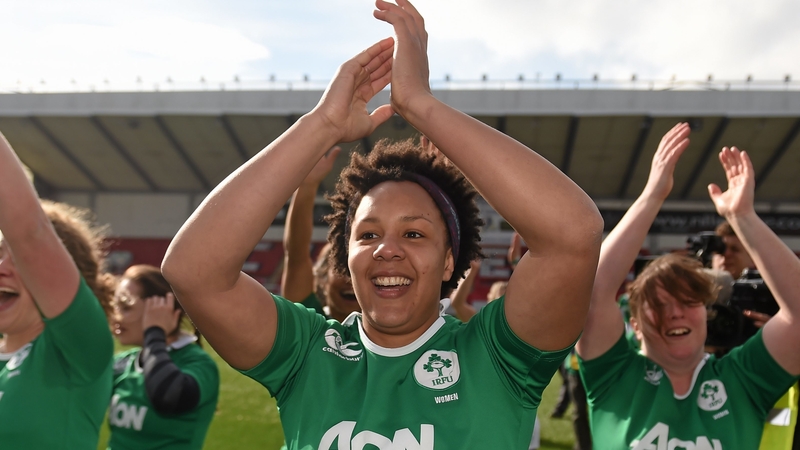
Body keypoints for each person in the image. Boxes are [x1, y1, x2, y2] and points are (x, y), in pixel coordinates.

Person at [161, 1, 602, 448]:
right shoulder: (307, 353)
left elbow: (573, 234)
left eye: (413, 233)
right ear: (345, 256)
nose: (386, 250)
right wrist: (323, 124)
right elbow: (193, 272)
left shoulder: (497, 357)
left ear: (449, 261)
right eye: (368, 234)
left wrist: (420, 105)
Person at [576, 122, 800, 449]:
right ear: (634, 325)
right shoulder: (615, 376)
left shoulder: (741, 380)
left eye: (687, 301)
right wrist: (653, 194)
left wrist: (744, 218)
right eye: (659, 304)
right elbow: (592, 296)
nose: (675, 313)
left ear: (705, 313)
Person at [0, 132, 115, 448]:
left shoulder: (79, 351)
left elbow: (30, 233)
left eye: (18, 258)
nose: (2, 267)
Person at [107, 264, 219, 450]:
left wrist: (154, 331)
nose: (116, 316)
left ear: (161, 309)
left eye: (125, 307)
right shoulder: (121, 363)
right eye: (115, 306)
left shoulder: (197, 363)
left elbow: (168, 395)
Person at [281, 145, 360, 321]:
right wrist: (307, 185)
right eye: (340, 268)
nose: (349, 278)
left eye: (355, 268)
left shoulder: (397, 328)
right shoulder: (309, 323)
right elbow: (296, 254)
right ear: (322, 280)